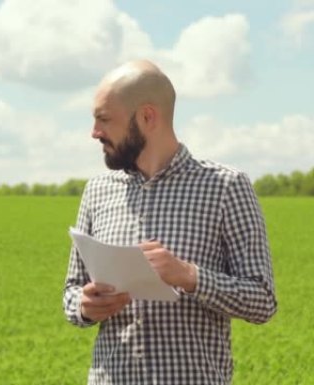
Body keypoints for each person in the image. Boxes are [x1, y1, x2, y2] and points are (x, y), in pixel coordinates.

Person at [62, 59, 277, 385]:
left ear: (147, 117)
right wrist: (86, 306)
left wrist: (189, 276)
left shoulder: (225, 187)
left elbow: (262, 300)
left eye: (104, 119)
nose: (95, 132)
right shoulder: (97, 191)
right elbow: (71, 293)